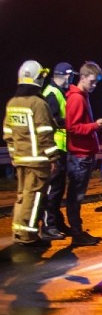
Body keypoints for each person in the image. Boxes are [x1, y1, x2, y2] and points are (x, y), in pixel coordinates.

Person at [3, 60, 60, 245]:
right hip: (38, 161)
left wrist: (13, 156)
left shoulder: (13, 103)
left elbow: (8, 134)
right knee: (34, 198)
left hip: (20, 159)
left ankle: (19, 232)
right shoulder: (38, 104)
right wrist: (53, 158)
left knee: (23, 196)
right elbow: (45, 134)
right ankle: (28, 235)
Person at [64, 61, 102, 246]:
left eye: (96, 82)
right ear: (82, 77)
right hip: (79, 156)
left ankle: (78, 231)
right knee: (76, 196)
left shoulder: (81, 96)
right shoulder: (76, 98)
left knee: (77, 196)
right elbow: (72, 127)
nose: (94, 86)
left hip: (83, 155)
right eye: (92, 81)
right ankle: (77, 233)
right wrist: (95, 126)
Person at [40, 61, 77, 240]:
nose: (71, 79)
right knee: (53, 189)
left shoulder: (58, 92)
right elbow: (52, 121)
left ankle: (57, 222)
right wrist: (71, 124)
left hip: (60, 148)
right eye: (71, 76)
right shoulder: (52, 94)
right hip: (54, 148)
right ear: (65, 75)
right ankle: (49, 225)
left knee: (58, 188)